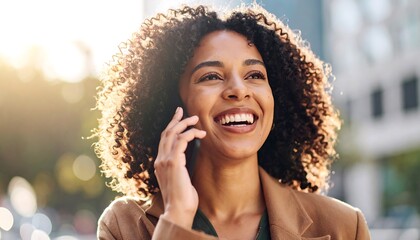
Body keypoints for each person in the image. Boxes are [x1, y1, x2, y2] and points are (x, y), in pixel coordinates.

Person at [95, 3, 371, 240]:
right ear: (172, 103)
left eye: (255, 75)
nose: (239, 89)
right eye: (211, 76)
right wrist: (176, 217)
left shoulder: (343, 226)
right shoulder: (124, 225)